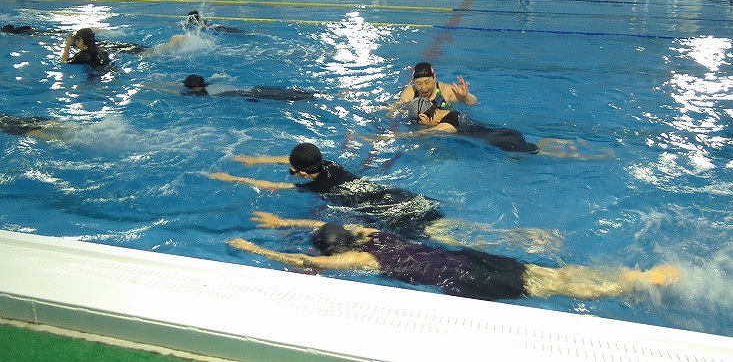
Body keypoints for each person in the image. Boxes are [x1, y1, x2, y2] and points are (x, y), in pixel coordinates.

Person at [227, 211, 681, 303]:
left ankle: (635, 283)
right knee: (546, 275)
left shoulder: (361, 261)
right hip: (467, 258)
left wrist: (254, 249)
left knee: (547, 287)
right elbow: (328, 229)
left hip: (466, 278)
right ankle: (632, 275)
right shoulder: (372, 235)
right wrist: (285, 223)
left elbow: (315, 264)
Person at [209, 142, 560, 252]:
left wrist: (234, 176)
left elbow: (274, 185)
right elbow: (295, 162)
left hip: (390, 214)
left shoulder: (313, 186)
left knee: (447, 236)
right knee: (447, 226)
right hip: (396, 196)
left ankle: (519, 239)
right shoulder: (330, 166)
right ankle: (521, 235)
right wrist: (258, 159)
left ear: (302, 173)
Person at [384, 97, 613, 158]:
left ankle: (587, 154)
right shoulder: (448, 111)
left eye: (417, 121)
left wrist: (377, 138)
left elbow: (418, 137)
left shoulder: (444, 126)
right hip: (504, 132)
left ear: (423, 117)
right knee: (534, 147)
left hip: (502, 142)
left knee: (541, 153)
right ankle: (568, 143)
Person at [399, 62, 477, 108]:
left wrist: (465, 97)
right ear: (414, 81)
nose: (423, 87)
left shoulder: (445, 91)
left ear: (434, 78)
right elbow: (396, 108)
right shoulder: (411, 92)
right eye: (419, 83)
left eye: (427, 82)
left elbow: (474, 102)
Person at [182, 74, 314, 101]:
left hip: (250, 94)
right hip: (253, 88)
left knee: (285, 97)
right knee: (287, 92)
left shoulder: (202, 93)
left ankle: (313, 96)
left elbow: (178, 92)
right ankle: (316, 93)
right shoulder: (210, 84)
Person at [0, 114, 66, 140]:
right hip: (15, 120)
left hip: (11, 127)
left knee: (35, 132)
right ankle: (68, 130)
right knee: (42, 123)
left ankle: (66, 139)